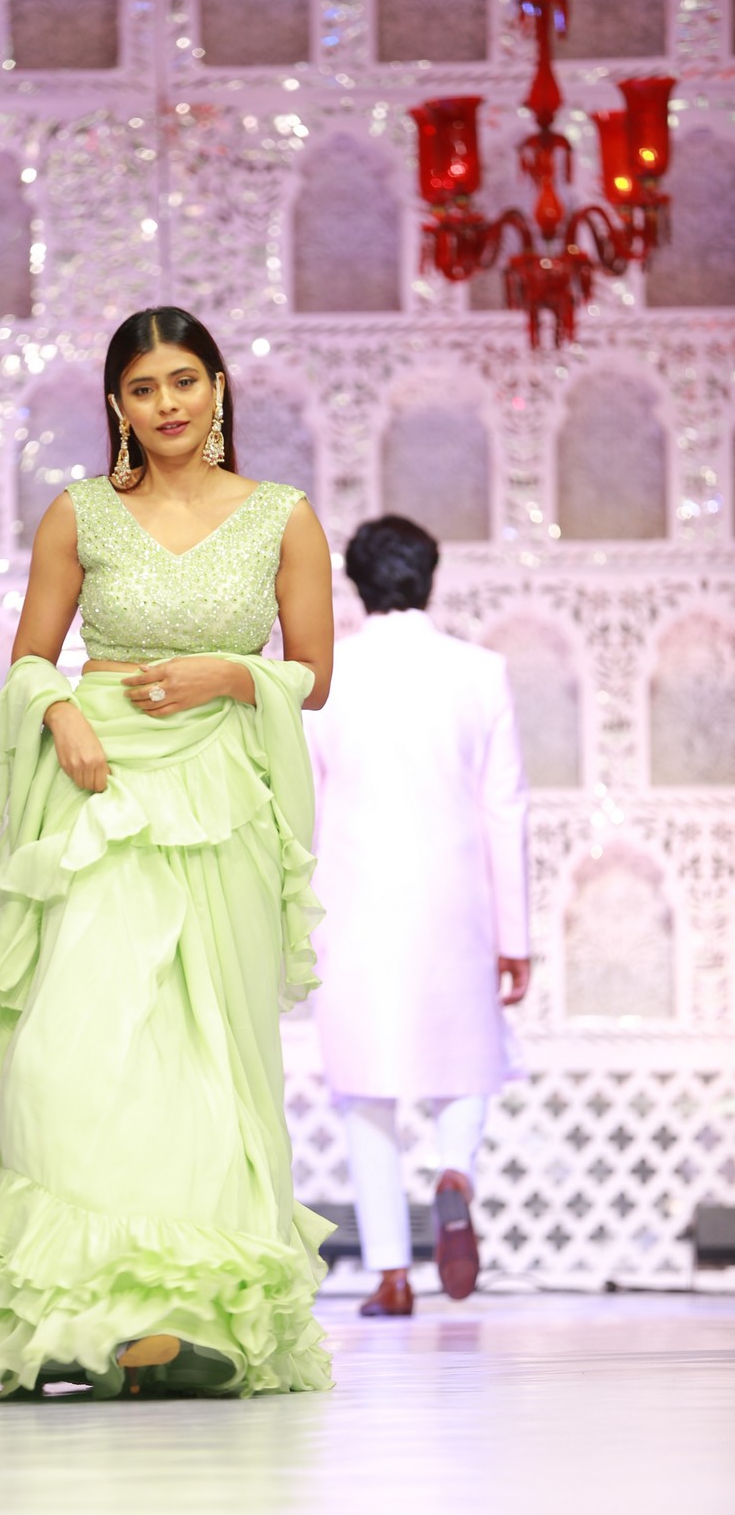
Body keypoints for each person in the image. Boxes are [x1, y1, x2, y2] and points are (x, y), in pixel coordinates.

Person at [0, 306, 335, 1397]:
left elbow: (311, 674)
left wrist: (229, 674)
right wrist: (60, 712)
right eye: (144, 388)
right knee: (72, 1048)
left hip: (221, 797)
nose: (167, 404)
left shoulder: (282, 518)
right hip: (100, 793)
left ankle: (186, 1323)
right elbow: (29, 658)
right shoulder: (81, 515)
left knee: (208, 1058)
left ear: (217, 388)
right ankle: (73, 1312)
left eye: (184, 381)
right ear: (117, 404)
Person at [309, 515, 529, 1317]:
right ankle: (455, 1171)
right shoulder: (481, 673)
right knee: (467, 1061)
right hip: (456, 898)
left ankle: (392, 1277)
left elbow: (303, 803)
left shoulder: (322, 678)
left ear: (355, 585)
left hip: (354, 901)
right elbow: (505, 809)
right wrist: (516, 939)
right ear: (429, 578)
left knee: (363, 1090)